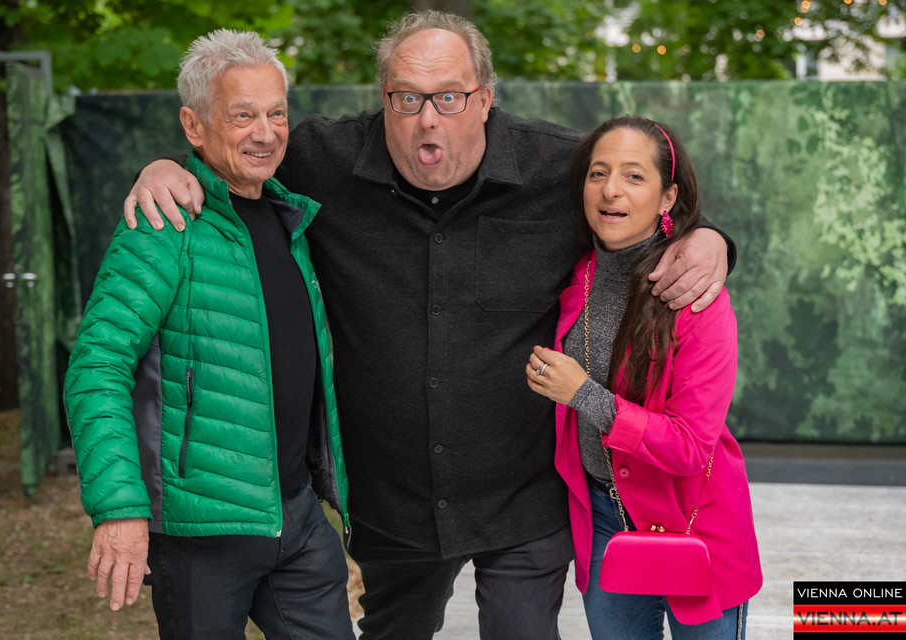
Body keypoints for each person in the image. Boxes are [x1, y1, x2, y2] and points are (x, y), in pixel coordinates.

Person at [124, 11, 734, 639]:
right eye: (407, 97)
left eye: (449, 96)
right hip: (394, 504)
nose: (428, 118)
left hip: (524, 497)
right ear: (384, 97)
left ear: (485, 99)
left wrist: (709, 237)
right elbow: (233, 155)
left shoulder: (560, 166)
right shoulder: (318, 160)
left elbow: (641, 201)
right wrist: (166, 167)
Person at [63, 28, 355, 640]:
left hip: (297, 520)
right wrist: (120, 508)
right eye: (242, 115)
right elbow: (97, 366)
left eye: (276, 113)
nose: (265, 133)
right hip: (201, 535)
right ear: (193, 126)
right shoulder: (162, 225)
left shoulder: (293, 219)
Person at [526, 116, 762, 638]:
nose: (611, 190)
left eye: (634, 176)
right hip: (604, 519)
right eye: (598, 173)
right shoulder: (574, 275)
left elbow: (689, 448)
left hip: (693, 523)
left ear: (667, 197)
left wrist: (582, 394)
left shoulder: (693, 294)